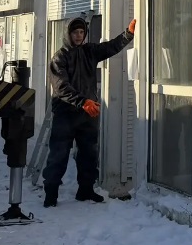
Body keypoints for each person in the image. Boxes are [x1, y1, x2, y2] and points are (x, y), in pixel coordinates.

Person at [41, 15, 136, 207]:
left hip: (88, 114)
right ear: (68, 34)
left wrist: (128, 34)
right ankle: (51, 193)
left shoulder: (90, 51)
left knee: (89, 154)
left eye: (81, 32)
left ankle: (86, 190)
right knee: (58, 154)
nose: (78, 35)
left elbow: (111, 47)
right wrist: (82, 101)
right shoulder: (59, 57)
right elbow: (61, 87)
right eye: (75, 32)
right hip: (66, 114)